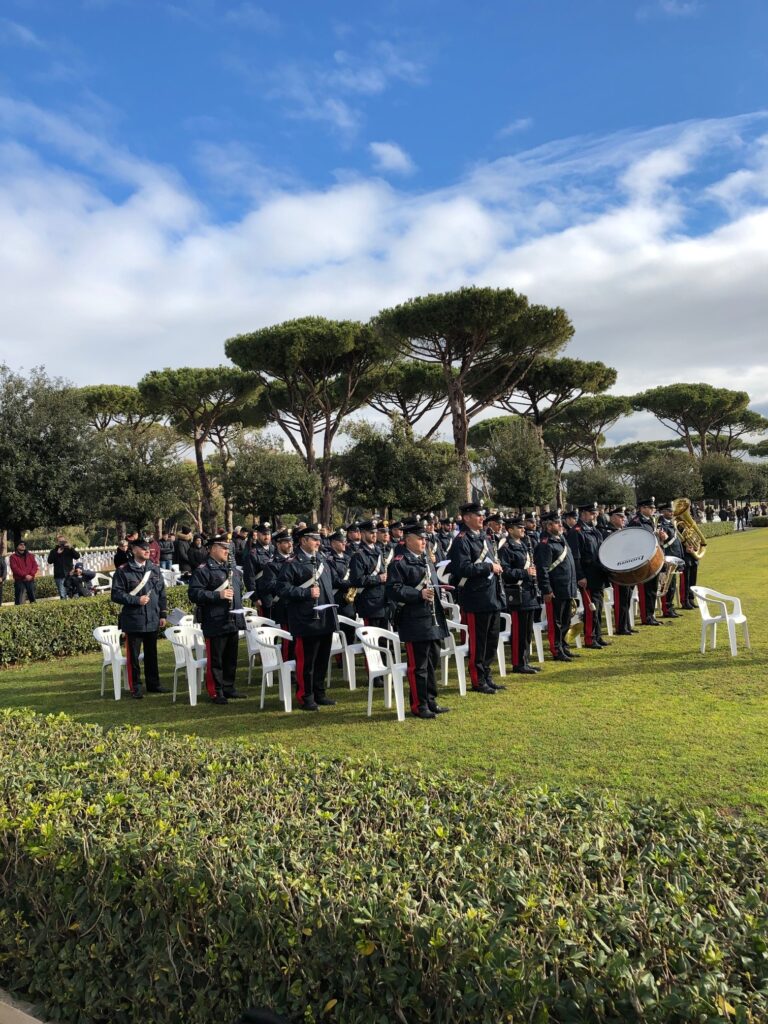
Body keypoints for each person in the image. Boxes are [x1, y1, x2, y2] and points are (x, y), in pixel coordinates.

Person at [386, 519, 450, 718]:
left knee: (432, 661)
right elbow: (394, 589)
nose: (424, 542)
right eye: (420, 538)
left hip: (432, 618)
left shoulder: (426, 559)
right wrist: (418, 595)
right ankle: (418, 704)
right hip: (413, 619)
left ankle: (430, 700)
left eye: (425, 539)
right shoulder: (399, 562)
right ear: (408, 540)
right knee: (418, 666)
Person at [276, 525, 337, 712]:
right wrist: (305, 592)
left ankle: (319, 693)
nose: (318, 542)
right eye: (314, 539)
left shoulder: (321, 560)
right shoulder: (292, 563)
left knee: (321, 660)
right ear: (303, 541)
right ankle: (305, 696)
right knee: (306, 662)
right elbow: (282, 589)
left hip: (325, 617)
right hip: (306, 619)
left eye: (319, 539)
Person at [448, 502, 505, 694]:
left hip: (491, 596)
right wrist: (488, 567)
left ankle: (487, 676)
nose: (482, 518)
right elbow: (461, 568)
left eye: (482, 515)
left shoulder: (484, 538)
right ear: (466, 518)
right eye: (478, 515)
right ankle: (478, 680)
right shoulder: (461, 541)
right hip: (475, 598)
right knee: (478, 643)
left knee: (491, 641)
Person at [189, 535, 246, 705]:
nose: (227, 551)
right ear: (213, 548)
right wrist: (217, 595)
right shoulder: (203, 569)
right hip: (215, 620)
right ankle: (216, 691)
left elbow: (239, 591)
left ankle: (229, 687)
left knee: (231, 658)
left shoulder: (231, 569)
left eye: (228, 548)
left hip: (232, 618)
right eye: (223, 548)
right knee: (216, 659)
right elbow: (194, 593)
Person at [110, 538, 168, 699]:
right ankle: (135, 686)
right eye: (143, 549)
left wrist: (162, 613)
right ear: (134, 550)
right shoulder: (123, 571)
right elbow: (116, 594)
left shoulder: (154, 569)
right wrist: (136, 600)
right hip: (133, 619)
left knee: (152, 654)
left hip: (152, 618)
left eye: (148, 549)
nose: (147, 551)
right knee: (133, 657)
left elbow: (161, 592)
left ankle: (154, 684)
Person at [499, 516, 542, 674]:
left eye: (523, 527)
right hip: (517, 593)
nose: (524, 529)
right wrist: (524, 572)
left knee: (527, 629)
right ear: (510, 530)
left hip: (529, 591)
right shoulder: (506, 548)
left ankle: (525, 660)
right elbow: (505, 571)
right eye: (519, 527)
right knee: (519, 630)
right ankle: (518, 662)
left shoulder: (525, 545)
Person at [534, 512, 578, 662]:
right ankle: (556, 649)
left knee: (566, 620)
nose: (561, 525)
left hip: (567, 586)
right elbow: (543, 569)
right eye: (557, 523)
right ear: (548, 526)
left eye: (560, 522)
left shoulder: (561, 540)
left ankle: (564, 646)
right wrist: (546, 589)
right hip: (556, 589)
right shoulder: (545, 545)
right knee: (556, 622)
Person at [566, 503, 610, 650]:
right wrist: (580, 576)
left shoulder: (594, 530)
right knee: (591, 608)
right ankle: (590, 638)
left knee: (598, 607)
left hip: (598, 574)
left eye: (595, 513)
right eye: (592, 513)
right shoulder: (576, 531)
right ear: (583, 514)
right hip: (588, 575)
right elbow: (576, 557)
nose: (595, 515)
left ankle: (597, 635)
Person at [627, 498, 663, 625]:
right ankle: (645, 617)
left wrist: (661, 537)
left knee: (652, 589)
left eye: (653, 508)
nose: (653, 510)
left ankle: (651, 615)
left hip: (654, 558)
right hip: (643, 561)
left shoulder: (650, 520)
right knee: (645, 590)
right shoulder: (636, 522)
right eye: (650, 507)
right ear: (642, 508)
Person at [349, 520, 390, 628]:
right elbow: (356, 580)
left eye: (375, 532)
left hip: (383, 600)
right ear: (362, 534)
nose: (374, 535)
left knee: (385, 640)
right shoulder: (359, 555)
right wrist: (378, 579)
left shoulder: (378, 550)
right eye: (371, 533)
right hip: (369, 604)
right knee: (373, 639)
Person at [602, 508, 636, 635]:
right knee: (620, 599)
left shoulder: (622, 531)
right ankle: (621, 627)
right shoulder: (607, 532)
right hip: (617, 571)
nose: (624, 519)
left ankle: (626, 624)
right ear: (612, 518)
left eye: (624, 517)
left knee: (626, 598)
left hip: (627, 570)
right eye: (620, 517)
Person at [9, 540, 38, 605]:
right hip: (20, 581)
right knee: (20, 601)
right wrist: (25, 575)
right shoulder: (13, 557)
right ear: (17, 547)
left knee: (33, 599)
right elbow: (15, 568)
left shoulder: (30, 555)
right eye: (21, 544)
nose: (23, 546)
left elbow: (35, 566)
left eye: (24, 545)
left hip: (30, 580)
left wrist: (31, 574)